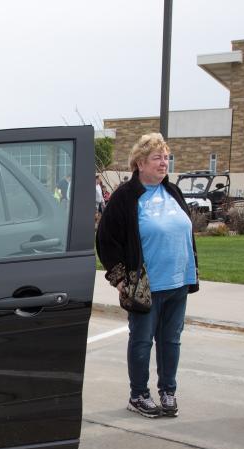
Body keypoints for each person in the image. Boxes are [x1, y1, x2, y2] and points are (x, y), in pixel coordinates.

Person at [95, 133, 199, 418]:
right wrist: (119, 280)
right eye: (157, 158)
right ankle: (138, 394)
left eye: (166, 157)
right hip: (144, 286)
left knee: (171, 340)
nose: (164, 163)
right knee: (141, 341)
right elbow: (106, 240)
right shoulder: (125, 197)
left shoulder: (173, 191)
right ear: (140, 162)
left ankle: (168, 390)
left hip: (178, 282)